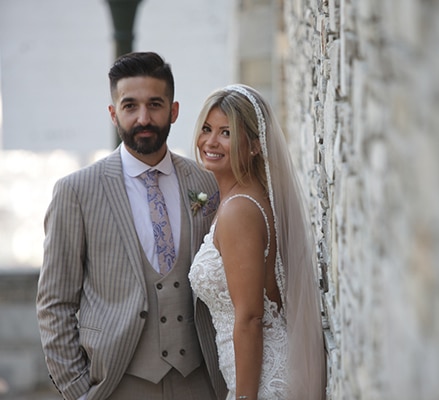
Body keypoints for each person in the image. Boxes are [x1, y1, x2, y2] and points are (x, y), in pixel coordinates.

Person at [36, 52, 227, 400]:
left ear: (173, 111)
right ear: (113, 114)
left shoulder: (205, 182)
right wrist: (78, 390)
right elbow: (55, 303)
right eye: (130, 106)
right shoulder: (77, 191)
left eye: (155, 104)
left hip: (200, 382)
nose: (143, 118)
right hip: (117, 384)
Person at [188, 84, 326, 400]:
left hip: (262, 381)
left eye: (226, 133)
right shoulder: (248, 198)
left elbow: (250, 317)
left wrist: (244, 397)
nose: (211, 141)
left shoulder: (239, 210)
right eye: (207, 129)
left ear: (254, 145)